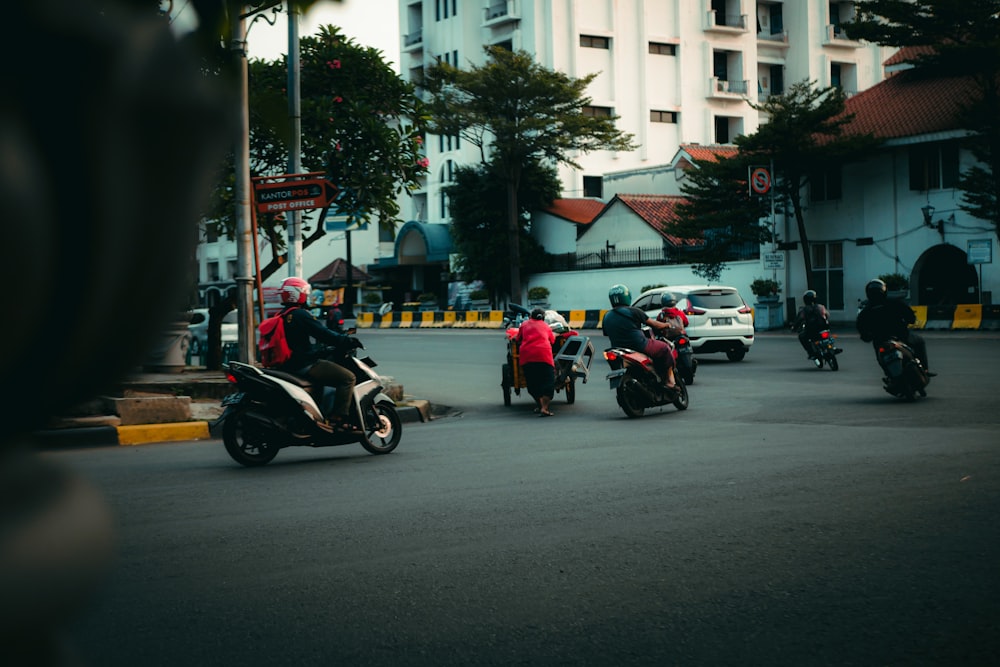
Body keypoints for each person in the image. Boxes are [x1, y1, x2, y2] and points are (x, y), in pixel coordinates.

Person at [277, 277, 364, 432]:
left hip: (287, 365)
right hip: (304, 364)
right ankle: (338, 418)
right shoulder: (300, 314)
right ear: (298, 294)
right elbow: (323, 334)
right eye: (306, 292)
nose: (308, 296)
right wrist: (345, 341)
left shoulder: (281, 315)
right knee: (348, 378)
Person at [602, 284, 677, 388]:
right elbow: (654, 324)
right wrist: (666, 325)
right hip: (640, 345)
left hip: (618, 348)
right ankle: (669, 381)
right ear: (627, 297)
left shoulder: (606, 316)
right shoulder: (633, 311)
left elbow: (606, 333)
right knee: (664, 348)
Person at [856, 278, 935, 375]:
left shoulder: (865, 312)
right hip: (901, 336)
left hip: (880, 341)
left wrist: (869, 335)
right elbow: (910, 317)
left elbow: (863, 333)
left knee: (880, 356)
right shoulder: (894, 303)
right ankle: (925, 370)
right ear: (884, 291)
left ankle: (889, 377)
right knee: (920, 341)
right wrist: (909, 321)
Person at [515, 307, 558, 416]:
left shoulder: (524, 325)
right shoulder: (546, 326)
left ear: (530, 317)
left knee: (532, 384)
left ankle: (540, 406)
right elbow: (552, 340)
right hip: (544, 356)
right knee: (549, 382)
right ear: (543, 318)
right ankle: (544, 407)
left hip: (527, 357)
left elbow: (517, 339)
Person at [792, 290, 835, 359]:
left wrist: (794, 328)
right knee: (828, 336)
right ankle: (832, 347)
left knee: (801, 337)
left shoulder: (804, 310)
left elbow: (799, 320)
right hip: (824, 327)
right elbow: (827, 315)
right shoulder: (820, 307)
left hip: (812, 330)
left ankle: (811, 352)